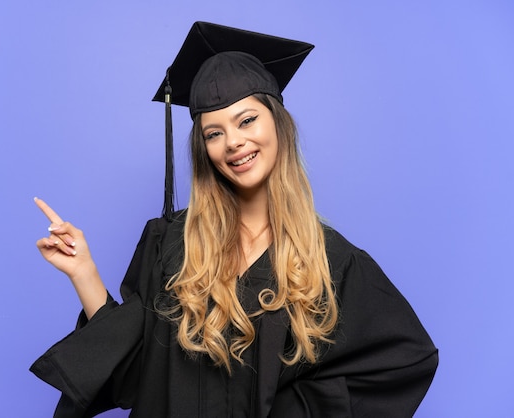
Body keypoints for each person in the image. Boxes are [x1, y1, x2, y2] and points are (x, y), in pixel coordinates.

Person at [30, 21, 438, 418]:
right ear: (203, 147)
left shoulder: (332, 262)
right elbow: (132, 373)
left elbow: (403, 361)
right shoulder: (170, 243)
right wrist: (84, 273)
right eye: (214, 133)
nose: (234, 142)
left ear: (277, 122)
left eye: (246, 120)